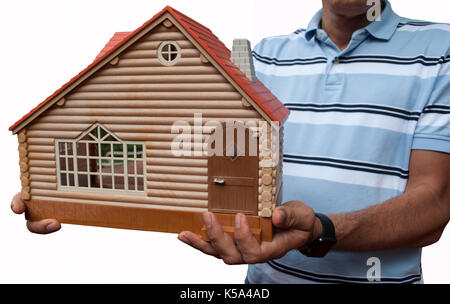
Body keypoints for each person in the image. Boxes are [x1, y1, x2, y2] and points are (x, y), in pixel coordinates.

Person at [12, 0, 449, 283]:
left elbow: (434, 204)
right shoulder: (262, 56)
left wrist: (321, 230)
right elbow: (173, 142)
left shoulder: (439, 50)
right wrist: (66, 187)